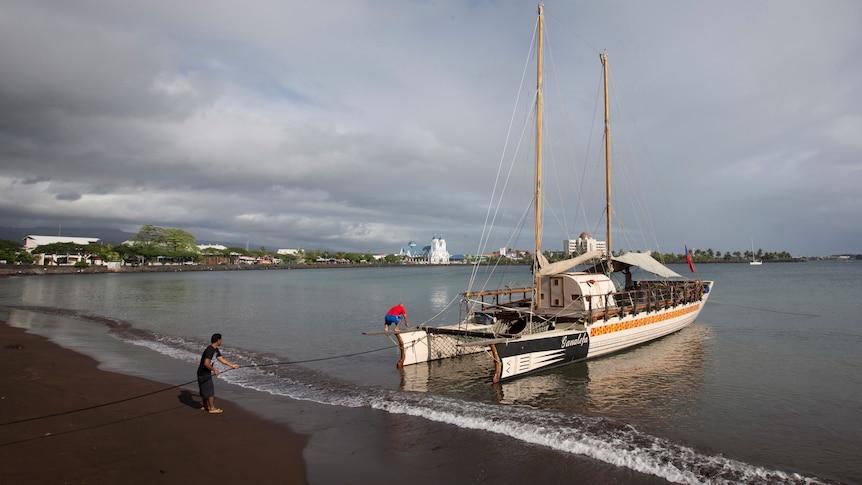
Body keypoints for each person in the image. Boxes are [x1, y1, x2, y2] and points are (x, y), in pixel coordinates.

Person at [197, 333, 239, 414]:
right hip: (203, 373)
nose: (221, 341)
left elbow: (221, 359)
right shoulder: (210, 350)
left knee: (204, 390)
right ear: (218, 340)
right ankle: (212, 408)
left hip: (203, 372)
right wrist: (214, 370)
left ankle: (205, 406)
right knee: (209, 391)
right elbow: (206, 363)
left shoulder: (215, 349)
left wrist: (232, 365)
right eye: (221, 339)